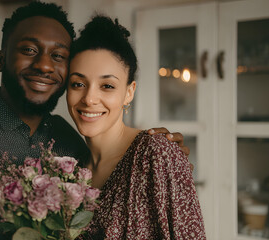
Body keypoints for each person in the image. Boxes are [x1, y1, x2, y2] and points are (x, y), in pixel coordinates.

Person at [0, 2, 189, 239]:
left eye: (59, 56)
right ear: (2, 57)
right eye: (29, 50)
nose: (44, 64)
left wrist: (156, 153)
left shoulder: (71, 145)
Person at [67, 16, 206, 239]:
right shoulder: (70, 168)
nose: (90, 98)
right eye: (78, 84)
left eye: (107, 86)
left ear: (129, 92)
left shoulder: (156, 153)